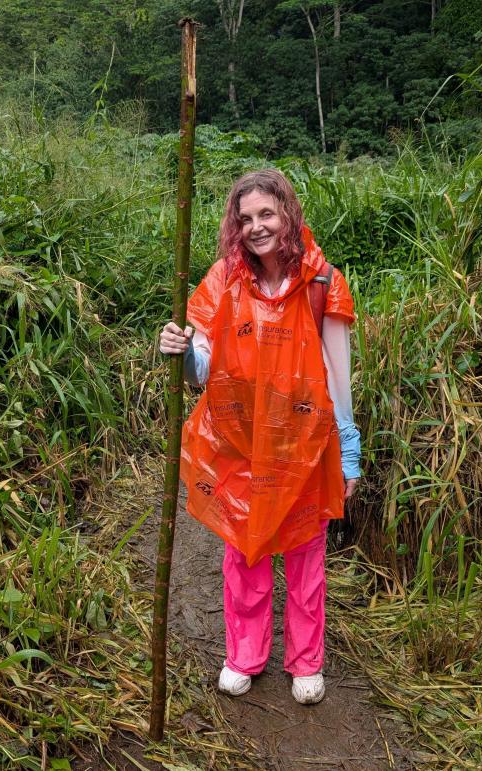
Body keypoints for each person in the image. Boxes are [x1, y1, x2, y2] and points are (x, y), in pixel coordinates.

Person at [158, 169, 360, 705]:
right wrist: (180, 354)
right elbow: (206, 369)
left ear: (288, 214)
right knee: (243, 552)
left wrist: (350, 455)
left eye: (265, 214)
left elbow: (339, 378)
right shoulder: (225, 279)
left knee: (305, 557)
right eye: (245, 218)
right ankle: (243, 654)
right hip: (241, 443)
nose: (256, 227)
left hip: (306, 445)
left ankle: (305, 660)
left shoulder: (321, 283)